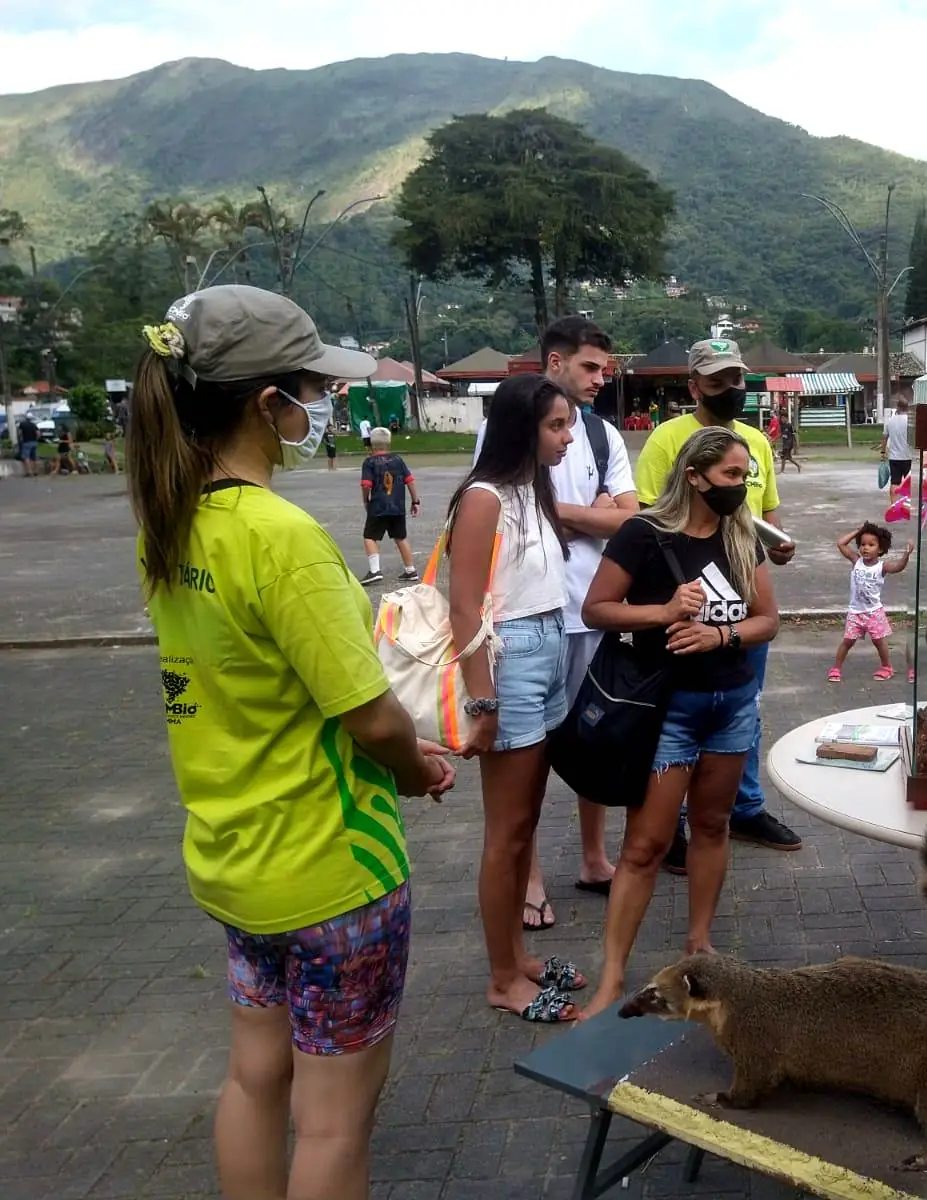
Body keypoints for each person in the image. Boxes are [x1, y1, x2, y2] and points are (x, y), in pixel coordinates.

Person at [126, 285, 454, 1198]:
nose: (323, 406)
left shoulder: (171, 518)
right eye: (313, 388)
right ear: (270, 404)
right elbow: (372, 715)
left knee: (254, 1077)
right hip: (331, 869)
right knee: (336, 1119)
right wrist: (416, 766)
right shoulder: (284, 538)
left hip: (235, 862)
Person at [579, 425, 779, 1016]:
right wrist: (664, 611)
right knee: (645, 846)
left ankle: (699, 946)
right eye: (731, 476)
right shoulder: (643, 533)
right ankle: (612, 980)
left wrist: (721, 633)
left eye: (746, 477)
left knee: (713, 827)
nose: (740, 488)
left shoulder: (741, 534)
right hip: (667, 711)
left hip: (731, 705)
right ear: (693, 476)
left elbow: (767, 620)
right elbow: (596, 608)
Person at [447, 373, 587, 1023]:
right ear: (520, 428)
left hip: (550, 642)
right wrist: (482, 701)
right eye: (555, 425)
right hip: (511, 659)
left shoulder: (532, 487)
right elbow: (464, 605)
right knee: (506, 834)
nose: (567, 436)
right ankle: (503, 977)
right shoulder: (483, 497)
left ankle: (517, 957)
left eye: (568, 424)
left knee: (526, 823)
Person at [633, 338, 801, 869]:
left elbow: (765, 511)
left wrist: (779, 544)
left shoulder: (756, 441)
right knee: (673, 714)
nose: (731, 390)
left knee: (743, 706)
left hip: (744, 602)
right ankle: (673, 823)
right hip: (687, 599)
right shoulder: (666, 439)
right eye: (717, 382)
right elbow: (647, 519)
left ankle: (743, 808)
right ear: (693, 387)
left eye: (736, 380)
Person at [496, 317, 637, 922]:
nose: (600, 379)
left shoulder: (603, 436)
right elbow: (505, 507)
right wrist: (591, 513)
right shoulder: (509, 430)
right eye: (589, 367)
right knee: (526, 753)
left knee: (594, 739)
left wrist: (571, 513)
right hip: (527, 616)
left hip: (593, 609)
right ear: (554, 363)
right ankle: (526, 879)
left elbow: (630, 519)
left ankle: (592, 858)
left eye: (605, 369)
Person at [828, 521, 914, 682]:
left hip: (874, 612)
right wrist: (858, 530)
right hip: (855, 612)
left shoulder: (882, 567)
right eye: (862, 544)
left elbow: (899, 567)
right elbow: (841, 543)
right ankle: (836, 668)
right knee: (847, 641)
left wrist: (906, 555)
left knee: (879, 641)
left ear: (880, 549)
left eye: (871, 545)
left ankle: (887, 667)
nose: (865, 548)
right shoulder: (856, 561)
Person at [355, 427, 421, 586]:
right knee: (400, 537)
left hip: (378, 505)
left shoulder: (369, 462)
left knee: (370, 537)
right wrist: (415, 501)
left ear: (371, 444)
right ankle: (410, 570)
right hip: (397, 506)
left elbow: (366, 484)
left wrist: (366, 499)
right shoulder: (398, 460)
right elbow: (409, 480)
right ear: (389, 443)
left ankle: (375, 570)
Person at [881, 397, 912, 487]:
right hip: (908, 456)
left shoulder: (890, 421)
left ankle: (893, 501)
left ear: (897, 407)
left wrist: (883, 453)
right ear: (907, 408)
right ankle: (907, 500)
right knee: (908, 482)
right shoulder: (910, 421)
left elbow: (884, 438)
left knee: (894, 481)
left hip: (894, 457)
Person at [16, 412, 40, 477]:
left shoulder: (22, 424)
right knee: (34, 458)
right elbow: (38, 433)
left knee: (26, 457)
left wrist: (21, 439)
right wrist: (36, 439)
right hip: (34, 442)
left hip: (26, 442)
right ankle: (36, 471)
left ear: (25, 418)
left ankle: (29, 472)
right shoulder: (34, 425)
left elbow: (20, 433)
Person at [778, 409, 801, 473]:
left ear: (786, 418)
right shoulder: (782, 426)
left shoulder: (790, 425)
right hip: (785, 443)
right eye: (781, 418)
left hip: (789, 444)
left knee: (783, 457)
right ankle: (798, 466)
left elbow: (794, 434)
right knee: (788, 458)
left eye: (783, 418)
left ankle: (782, 471)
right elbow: (781, 434)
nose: (782, 420)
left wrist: (796, 443)